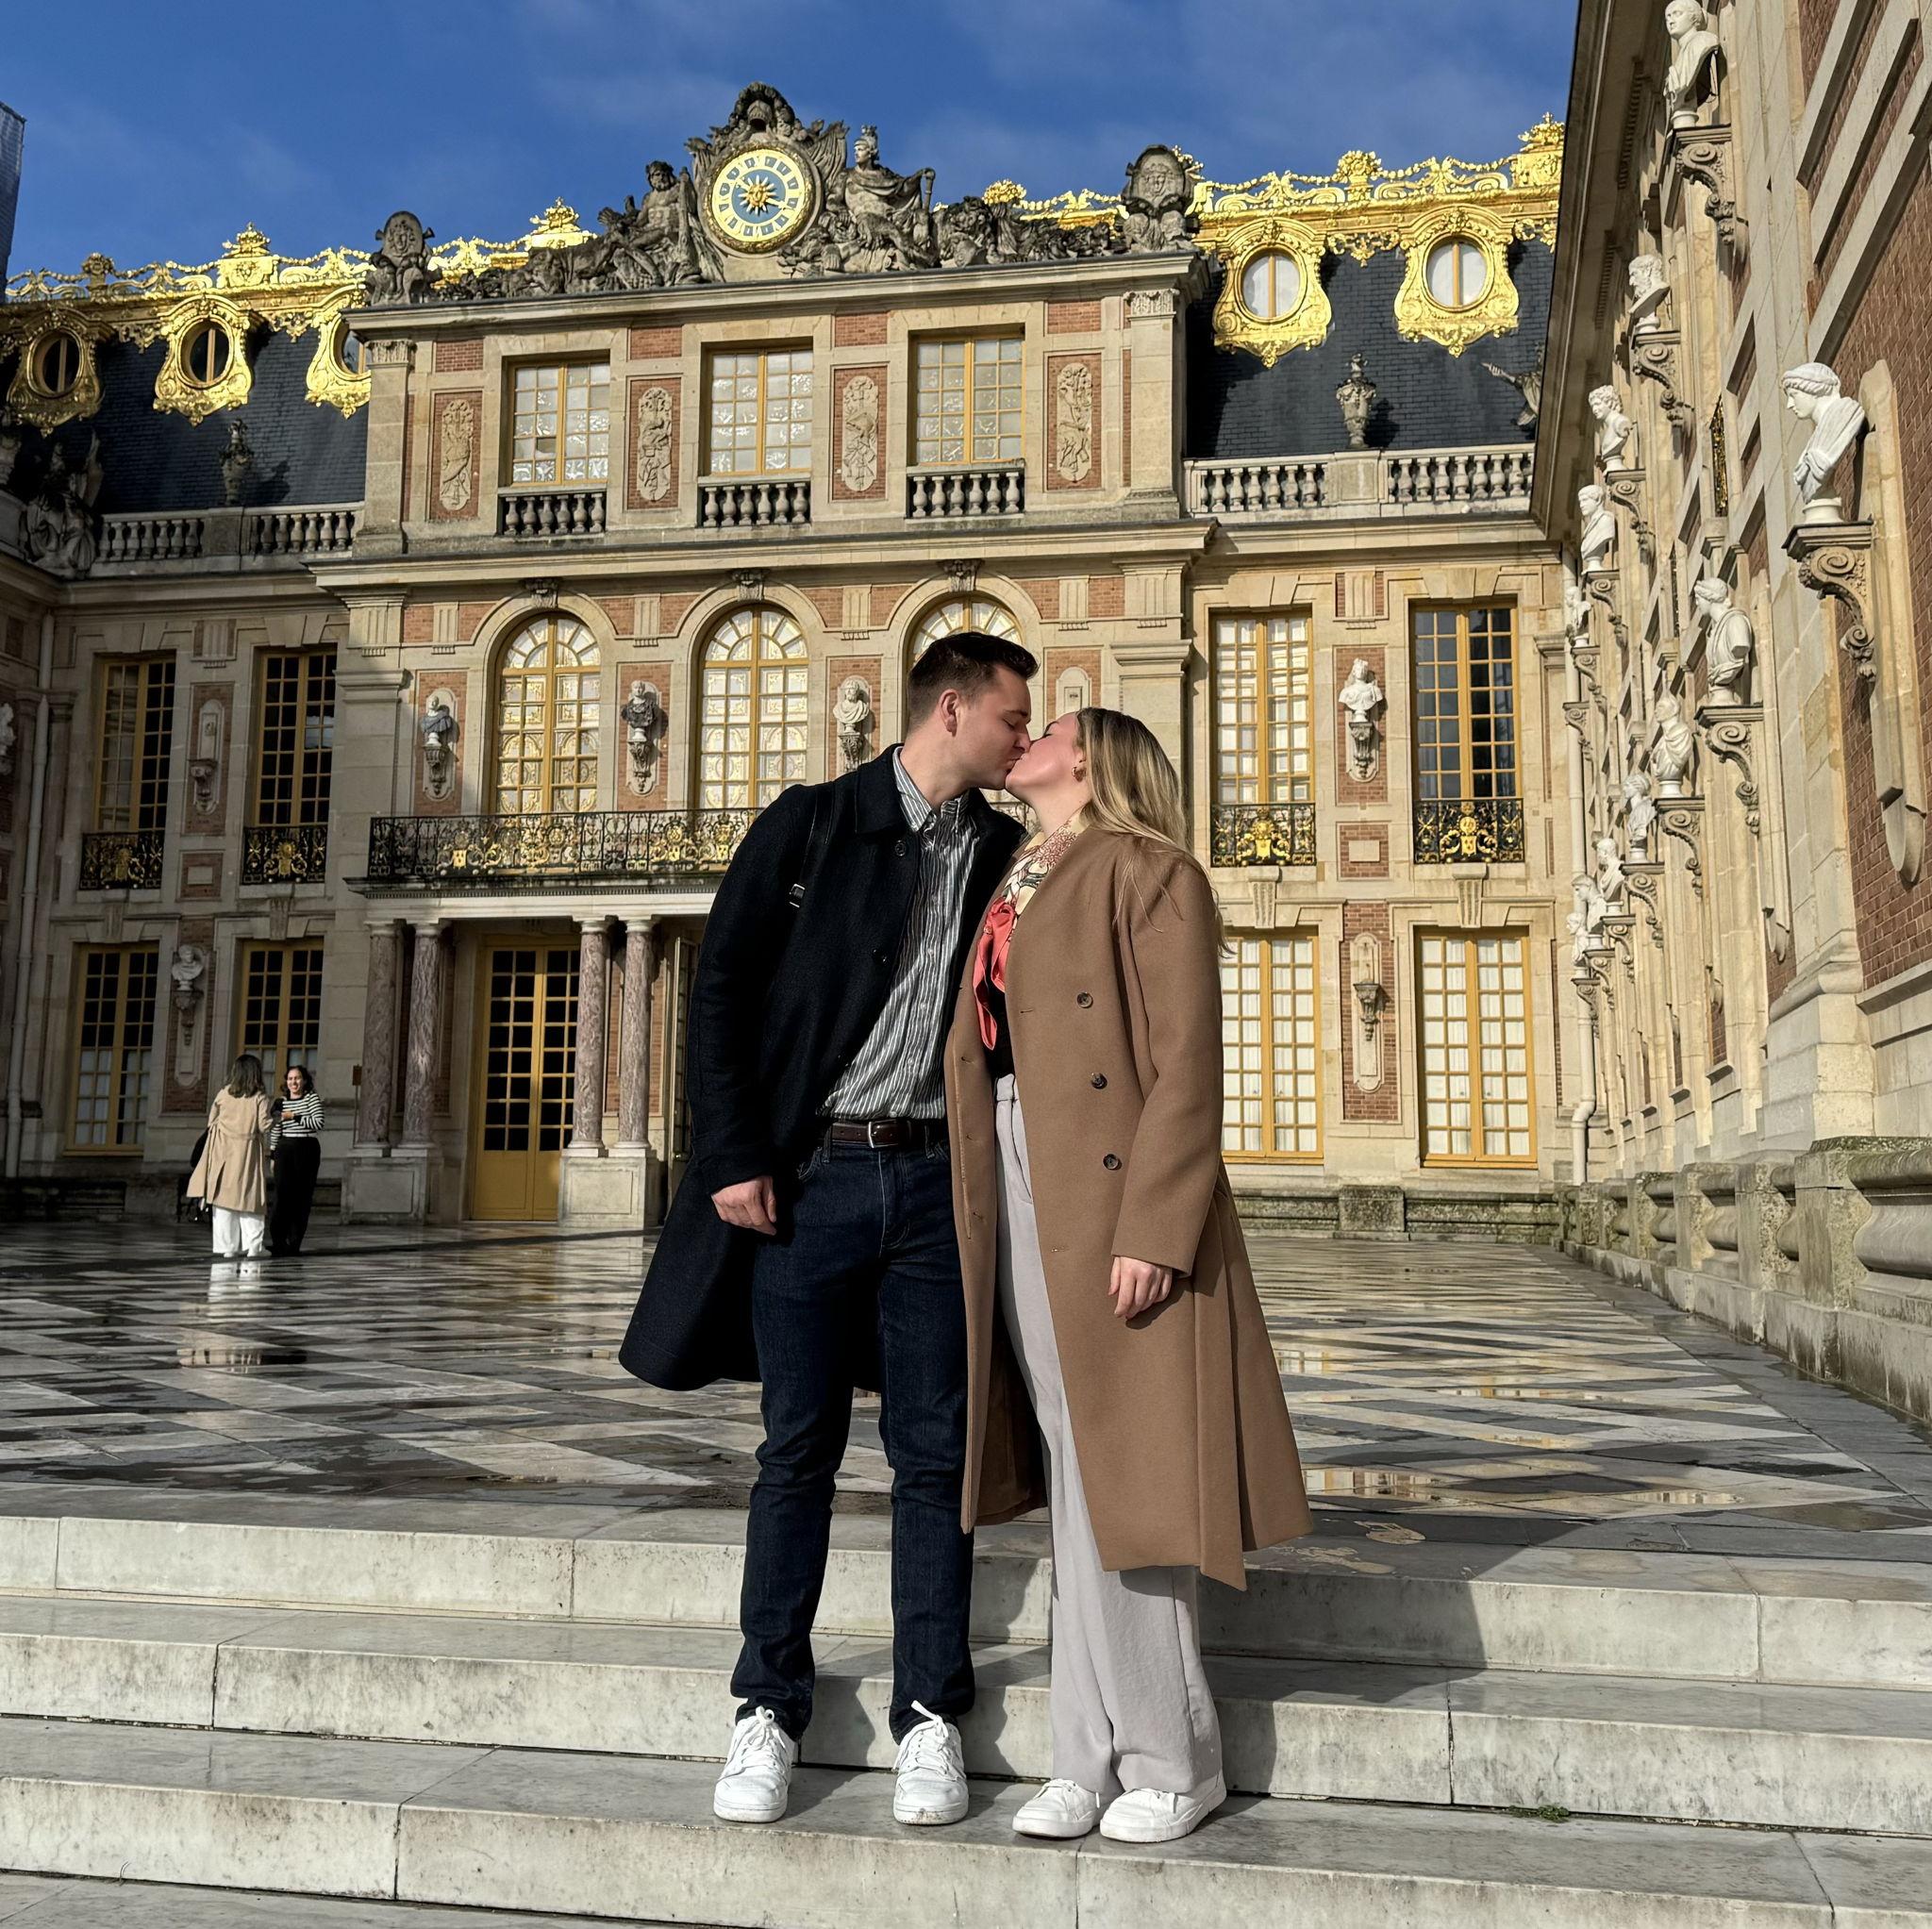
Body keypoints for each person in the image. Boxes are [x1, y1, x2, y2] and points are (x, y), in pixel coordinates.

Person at [617, 631, 1037, 1829]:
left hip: (932, 1191)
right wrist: (735, 1153)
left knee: (931, 1458)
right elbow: (722, 993)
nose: (1022, 737)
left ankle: (929, 1717)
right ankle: (766, 1705)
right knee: (794, 1449)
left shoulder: (1003, 853)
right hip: (811, 1182)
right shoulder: (809, 821)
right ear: (950, 708)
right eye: (1013, 716)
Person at [944, 707, 1312, 1845]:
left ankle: (1173, 1754)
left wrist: (1154, 1226)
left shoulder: (1150, 871)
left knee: (1128, 1471)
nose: (1025, 737)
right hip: (1013, 1163)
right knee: (1073, 1466)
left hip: (1108, 1192)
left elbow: (1186, 1060)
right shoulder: (1017, 870)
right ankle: (1083, 1754)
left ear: (1090, 758)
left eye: (1046, 727)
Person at [188, 1055, 276, 1264]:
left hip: (222, 1150)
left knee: (223, 1199)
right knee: (249, 1198)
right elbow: (264, 1125)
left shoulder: (223, 1094)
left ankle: (227, 1247)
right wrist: (278, 1118)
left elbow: (211, 1122)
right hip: (246, 1151)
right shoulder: (259, 1096)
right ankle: (254, 1246)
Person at [269, 1065, 324, 1256]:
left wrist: (294, 1116)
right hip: (285, 1149)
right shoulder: (280, 1102)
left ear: (305, 1080)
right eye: (290, 1078)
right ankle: (278, 1241)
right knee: (282, 1196)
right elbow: (275, 1129)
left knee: (302, 1197)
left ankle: (294, 1242)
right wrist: (273, 1154)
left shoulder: (311, 1098)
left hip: (306, 1148)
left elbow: (318, 1122)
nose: (294, 1082)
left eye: (298, 1078)